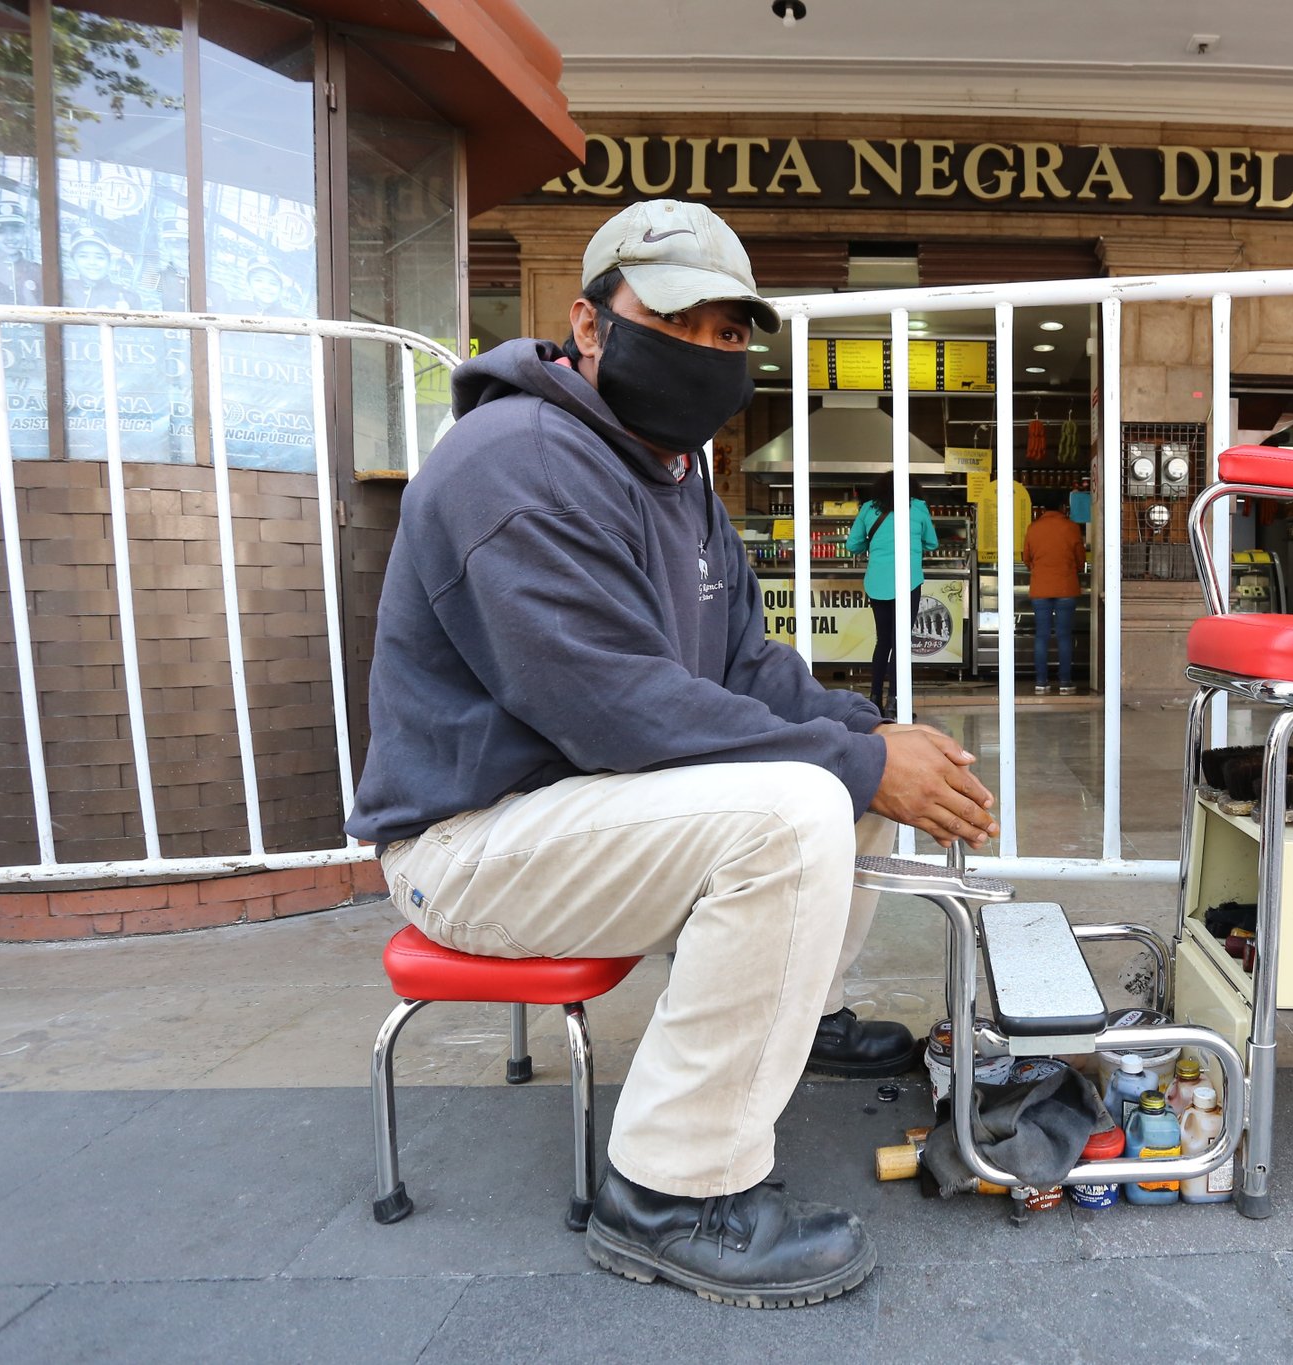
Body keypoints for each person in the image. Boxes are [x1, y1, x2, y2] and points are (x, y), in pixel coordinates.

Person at [345, 199, 997, 1310]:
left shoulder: (675, 472)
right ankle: (670, 1193)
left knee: (845, 766)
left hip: (586, 814)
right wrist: (850, 761)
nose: (706, 352)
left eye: (728, 332)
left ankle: (793, 1010)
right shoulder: (514, 461)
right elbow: (616, 709)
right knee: (800, 804)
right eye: (677, 322)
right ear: (588, 327)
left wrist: (872, 732)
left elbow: (742, 669)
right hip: (470, 841)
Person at [845, 476, 937, 717]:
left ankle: (874, 699)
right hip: (908, 582)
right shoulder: (917, 507)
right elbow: (932, 543)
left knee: (883, 641)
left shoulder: (868, 508)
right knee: (900, 643)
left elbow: (852, 545)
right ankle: (896, 702)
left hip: (878, 582)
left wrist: (872, 545)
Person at [1022, 486, 1085, 694]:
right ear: (1063, 506)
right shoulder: (1072, 528)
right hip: (1066, 587)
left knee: (1042, 636)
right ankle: (1065, 683)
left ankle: (1041, 682)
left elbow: (1026, 558)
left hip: (1040, 588)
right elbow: (1080, 560)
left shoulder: (1033, 528)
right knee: (1064, 636)